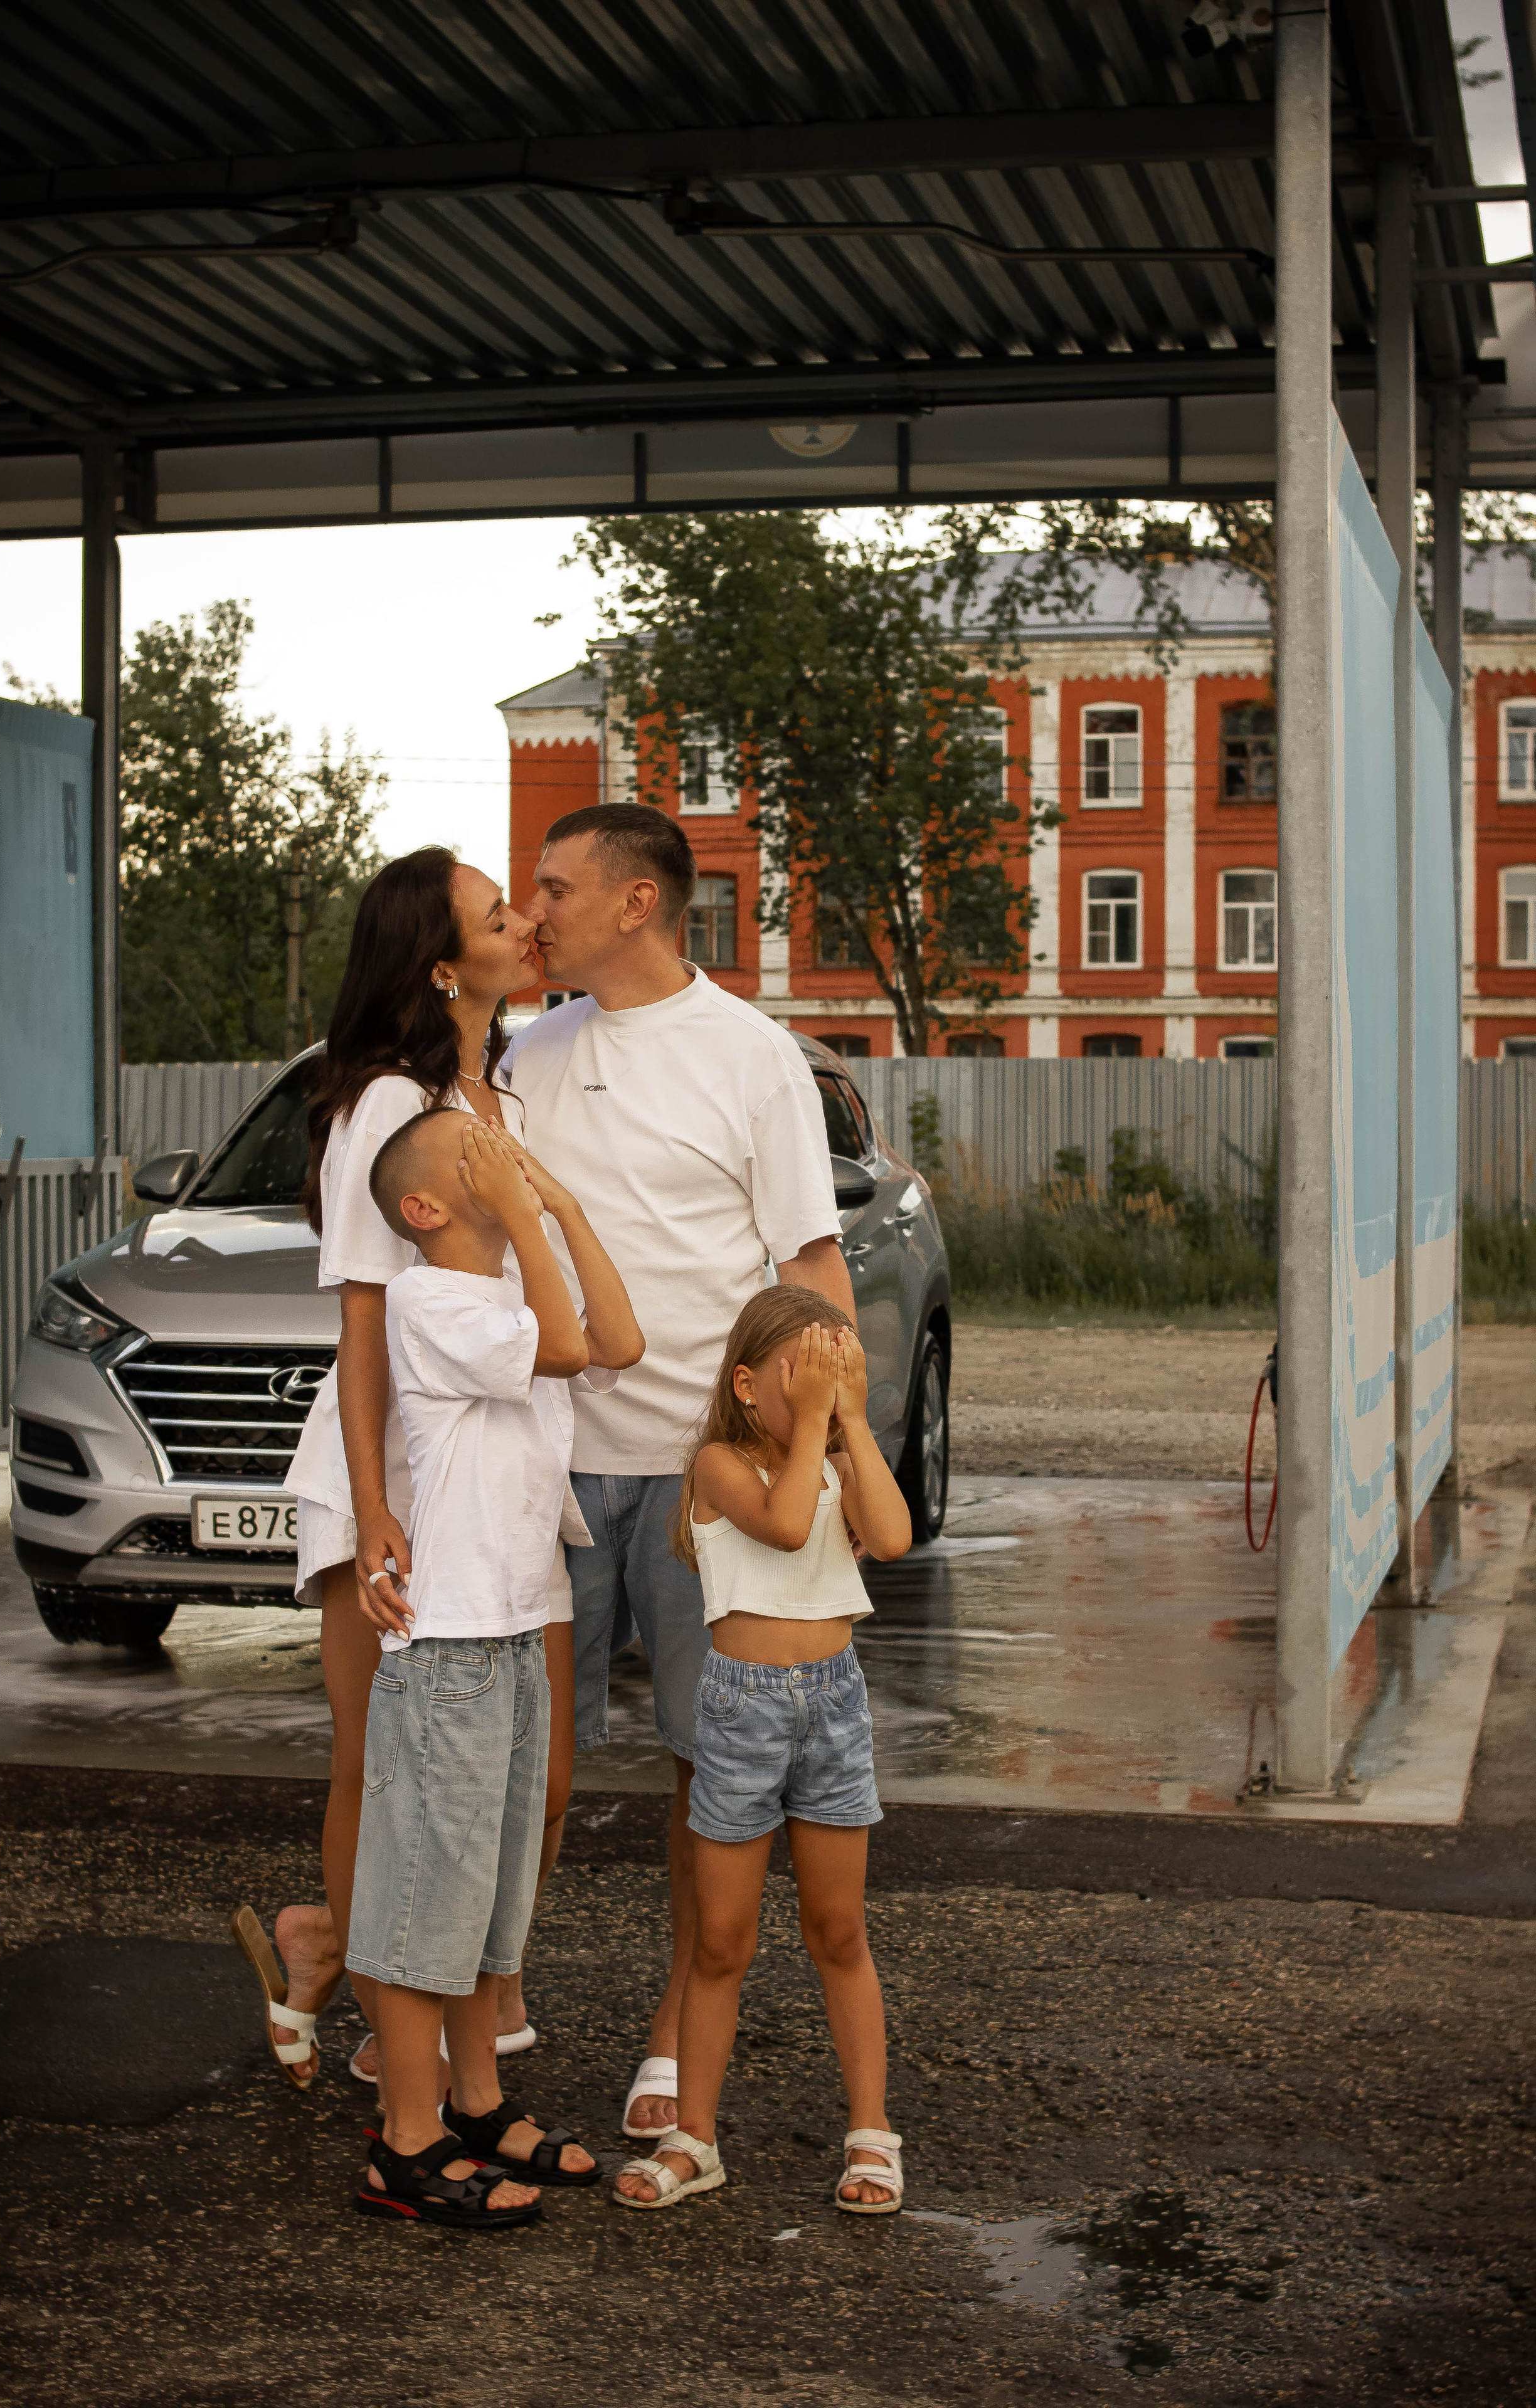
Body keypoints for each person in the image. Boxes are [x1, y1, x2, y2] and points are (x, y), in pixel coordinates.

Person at [501, 801, 852, 2140]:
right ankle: (493, 1995)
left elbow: (809, 1271)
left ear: (633, 903)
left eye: (553, 887)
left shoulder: (752, 1057)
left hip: (700, 1479)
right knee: (526, 1750)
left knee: (711, 1765)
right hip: (545, 1461)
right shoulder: (530, 1051)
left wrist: (819, 1460)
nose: (535, 912)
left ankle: (670, 2033)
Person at [230, 848, 569, 2092]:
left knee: (517, 1765)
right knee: (383, 1759)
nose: (526, 922)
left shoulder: (504, 1102)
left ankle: (329, 1944)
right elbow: (365, 1326)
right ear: (442, 967)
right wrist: (379, 1513)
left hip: (504, 1477)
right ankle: (403, 2043)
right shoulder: (381, 1105)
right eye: (498, 916)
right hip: (400, 1472)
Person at [349, 1108, 642, 2229]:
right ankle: (407, 2142)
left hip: (515, 1629)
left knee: (490, 1892)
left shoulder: (509, 1303)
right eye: (474, 1160)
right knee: (432, 1890)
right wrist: (525, 1208)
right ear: (424, 1209)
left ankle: (476, 2101)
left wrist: (557, 1205)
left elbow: (617, 1343)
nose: (500, 1161)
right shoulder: (432, 1302)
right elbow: (568, 1349)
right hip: (452, 1647)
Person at [613, 1289, 910, 2215]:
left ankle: (872, 2136)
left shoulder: (837, 1462)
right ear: (747, 1385)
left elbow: (893, 1540)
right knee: (721, 1941)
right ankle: (693, 2138)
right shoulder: (716, 1464)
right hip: (741, 1713)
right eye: (802, 1375)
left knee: (838, 1931)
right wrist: (822, 1415)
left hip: (833, 1705)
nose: (821, 1391)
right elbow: (784, 1525)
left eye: (836, 1369)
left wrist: (848, 1418)